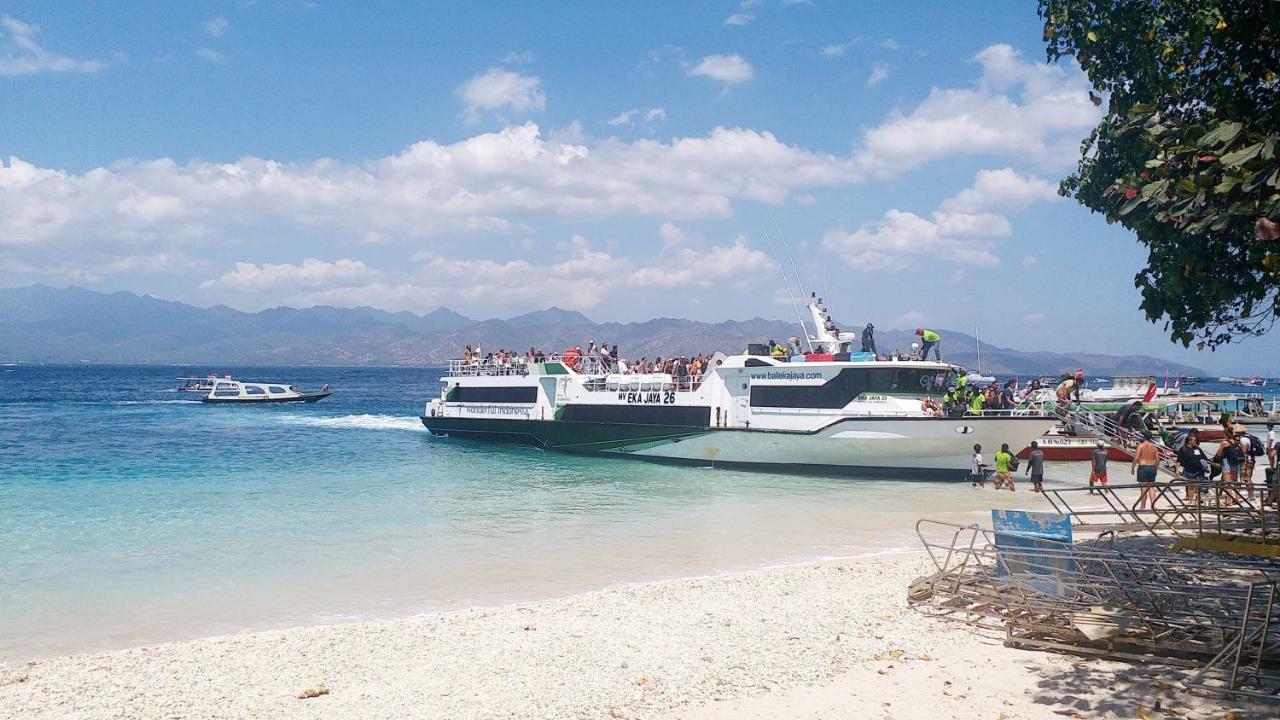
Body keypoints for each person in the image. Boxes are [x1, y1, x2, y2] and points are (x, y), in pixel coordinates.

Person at [1175, 431, 1209, 502]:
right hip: (1189, 470)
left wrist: (1214, 464)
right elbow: (1178, 461)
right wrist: (1177, 470)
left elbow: (1204, 458)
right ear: (1189, 441)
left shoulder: (1197, 448)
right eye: (1195, 440)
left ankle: (1198, 498)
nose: (1196, 442)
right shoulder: (1183, 449)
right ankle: (1191, 500)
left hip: (1199, 470)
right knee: (1191, 486)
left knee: (1199, 485)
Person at [1131, 430, 1160, 510]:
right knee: (1151, 487)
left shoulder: (1140, 446)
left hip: (1143, 467)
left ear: (1143, 437)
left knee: (1143, 488)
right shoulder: (1154, 447)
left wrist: (1132, 468)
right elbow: (1157, 459)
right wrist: (1156, 468)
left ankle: (1142, 507)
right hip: (1152, 467)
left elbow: (1136, 458)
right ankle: (1153, 506)